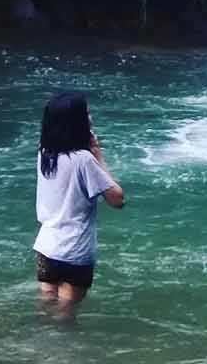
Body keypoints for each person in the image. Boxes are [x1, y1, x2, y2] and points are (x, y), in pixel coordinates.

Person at [34, 91, 125, 320]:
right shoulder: (84, 160)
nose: (91, 117)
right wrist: (99, 157)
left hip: (47, 246)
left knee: (47, 308)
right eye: (87, 113)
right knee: (65, 317)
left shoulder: (45, 153)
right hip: (75, 251)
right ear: (77, 122)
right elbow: (117, 199)